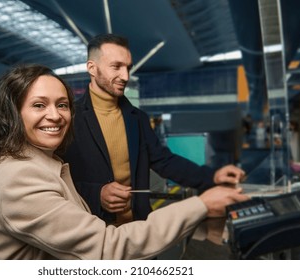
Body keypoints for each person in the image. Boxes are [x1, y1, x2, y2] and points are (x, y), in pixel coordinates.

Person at [0, 64, 248, 259]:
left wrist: (209, 182)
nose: (56, 116)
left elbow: (163, 159)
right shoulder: (20, 177)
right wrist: (202, 204)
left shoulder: (42, 159)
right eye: (38, 105)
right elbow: (108, 247)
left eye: (62, 104)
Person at [61, 34, 246, 225]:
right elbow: (55, 179)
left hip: (139, 229)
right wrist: (96, 194)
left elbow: (164, 161)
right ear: (92, 67)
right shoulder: (69, 119)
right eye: (116, 67)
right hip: (92, 232)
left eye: (128, 68)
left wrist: (212, 176)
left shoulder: (137, 119)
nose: (125, 76)